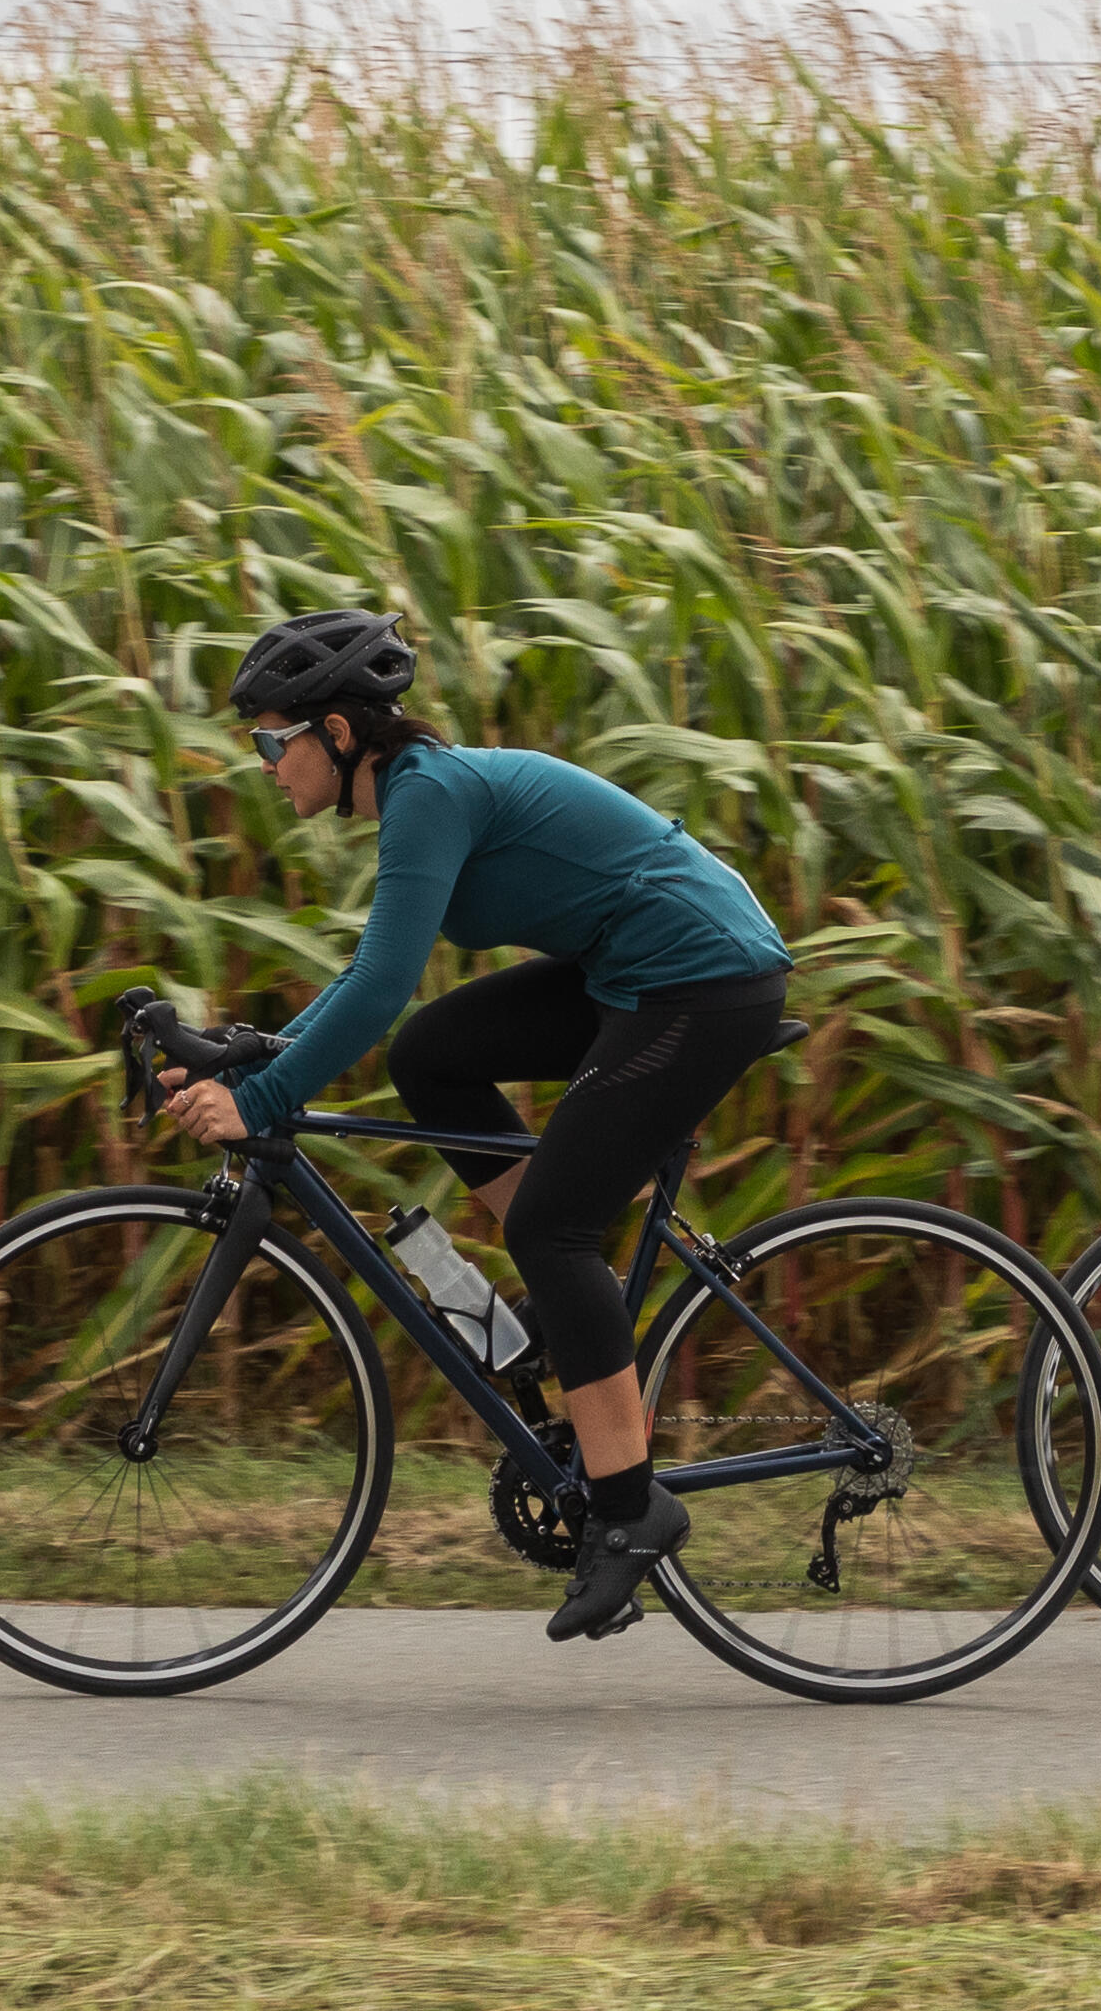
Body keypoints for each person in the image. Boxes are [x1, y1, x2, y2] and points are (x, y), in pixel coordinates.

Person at [156, 608, 795, 1641]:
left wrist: (263, 1102)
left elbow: (376, 982)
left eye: (273, 740)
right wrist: (269, 1051)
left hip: (701, 979)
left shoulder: (429, 795)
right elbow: (378, 994)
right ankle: (555, 1314)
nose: (265, 766)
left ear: (336, 732)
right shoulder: (419, 792)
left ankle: (631, 1509)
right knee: (430, 1057)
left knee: (553, 1227)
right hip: (631, 967)